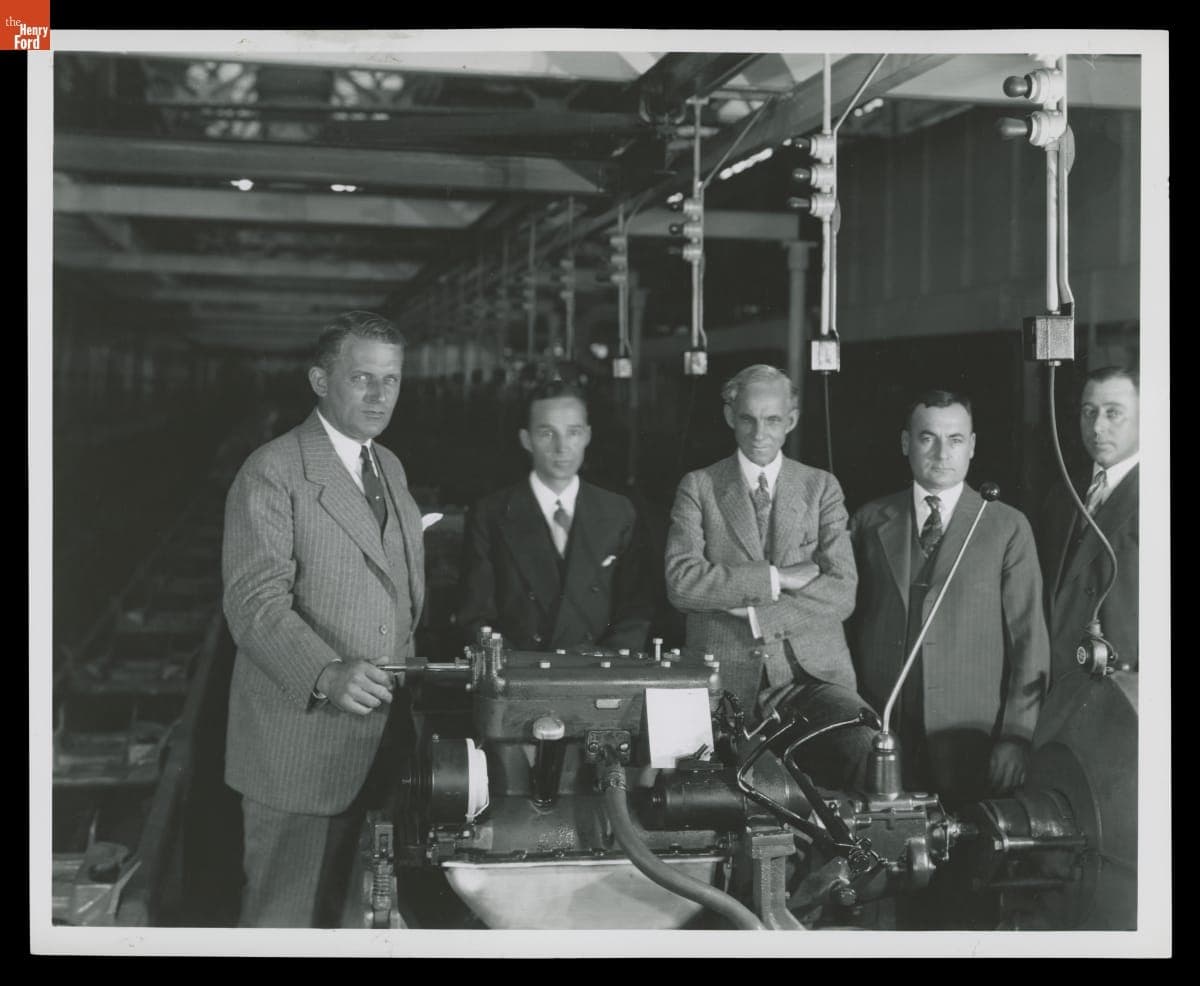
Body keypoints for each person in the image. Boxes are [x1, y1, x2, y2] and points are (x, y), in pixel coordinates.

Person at [221, 311, 425, 927]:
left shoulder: (388, 466)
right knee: (284, 916)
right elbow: (253, 602)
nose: (379, 395)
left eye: (390, 380)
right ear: (319, 380)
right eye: (362, 378)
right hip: (301, 741)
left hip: (383, 737)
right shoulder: (273, 470)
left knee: (361, 911)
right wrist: (327, 671)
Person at [664, 364, 873, 792]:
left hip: (812, 679)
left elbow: (841, 592)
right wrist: (779, 578)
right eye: (748, 419)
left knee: (864, 748)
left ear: (791, 421)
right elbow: (682, 582)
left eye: (773, 420)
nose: (760, 432)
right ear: (729, 417)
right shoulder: (699, 487)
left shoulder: (821, 487)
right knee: (706, 800)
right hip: (723, 685)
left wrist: (755, 616)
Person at [849, 390, 1048, 801]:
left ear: (972, 446)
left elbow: (1029, 641)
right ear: (906, 443)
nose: (942, 452)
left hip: (972, 741)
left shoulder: (1007, 526)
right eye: (928, 438)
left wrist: (1017, 735)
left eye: (955, 439)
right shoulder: (869, 521)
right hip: (882, 740)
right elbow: (848, 629)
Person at [457, 378, 653, 653]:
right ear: (526, 440)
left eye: (573, 433)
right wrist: (516, 673)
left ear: (587, 435)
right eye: (547, 433)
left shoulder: (618, 511)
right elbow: (475, 616)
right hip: (521, 680)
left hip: (599, 676)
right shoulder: (491, 513)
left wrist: (609, 662)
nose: (562, 447)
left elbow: (636, 609)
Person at [1040, 366, 1139, 683]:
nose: (1097, 427)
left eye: (1114, 413)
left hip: (1125, 686)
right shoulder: (1061, 493)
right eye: (1089, 412)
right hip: (1061, 682)